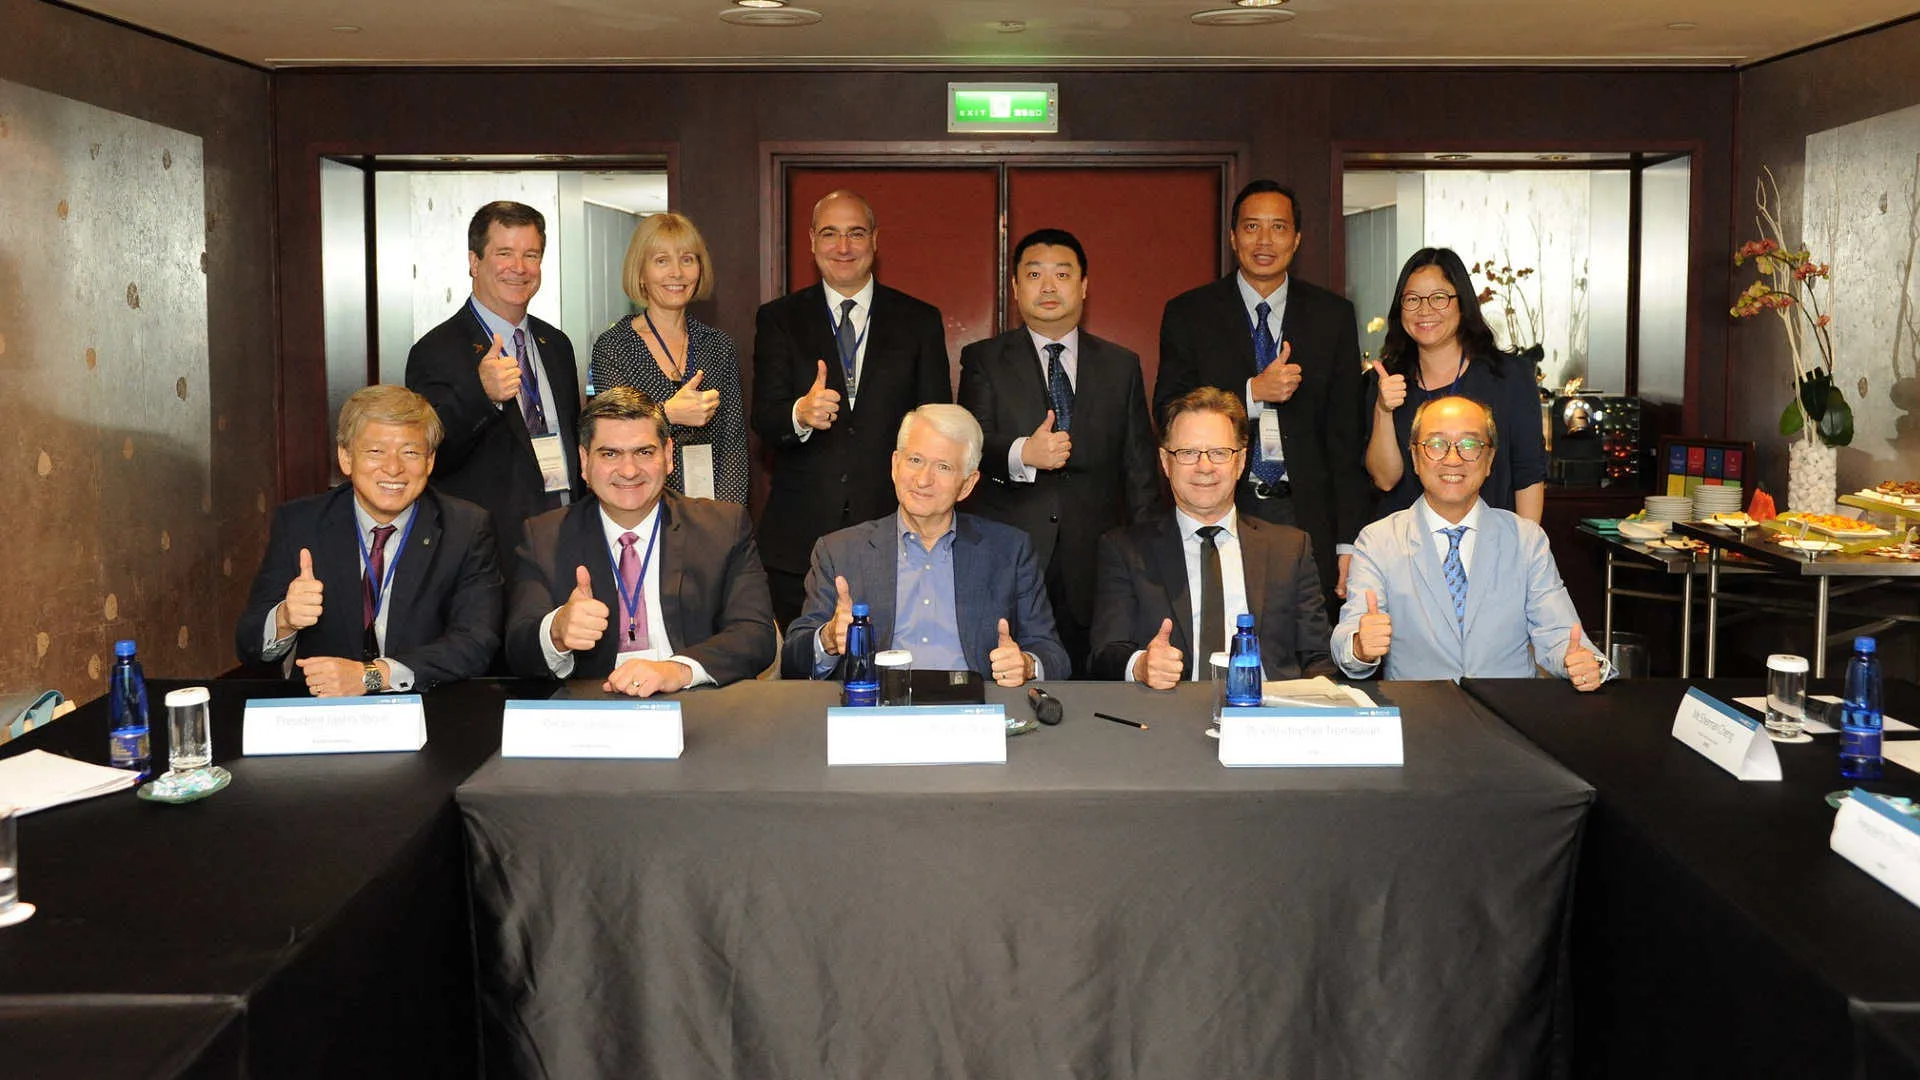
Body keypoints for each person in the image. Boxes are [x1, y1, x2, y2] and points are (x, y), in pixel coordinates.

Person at [1155, 179, 1369, 612]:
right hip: (1222, 505)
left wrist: (1349, 540)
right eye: (1252, 227)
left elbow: (1347, 437)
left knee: (1303, 645)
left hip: (1305, 512)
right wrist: (1252, 392)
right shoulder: (1190, 313)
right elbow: (1168, 408)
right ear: (1234, 237)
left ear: (1297, 238)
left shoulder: (1333, 316)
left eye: (1278, 227)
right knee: (1222, 629)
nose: (1265, 240)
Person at [957, 228, 1160, 671]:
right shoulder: (984, 359)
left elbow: (1139, 469)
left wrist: (1149, 558)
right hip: (1011, 554)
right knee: (1010, 678)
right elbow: (970, 446)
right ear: (1015, 288)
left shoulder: (1120, 365)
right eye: (1034, 274)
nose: (1048, 287)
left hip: (1098, 561)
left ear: (1084, 285)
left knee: (1096, 687)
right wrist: (1022, 453)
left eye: (1062, 274)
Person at [751, 189, 952, 628]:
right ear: (811, 242)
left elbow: (939, 423)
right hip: (800, 534)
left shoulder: (918, 320)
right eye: (830, 234)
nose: (843, 247)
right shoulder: (779, 319)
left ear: (875, 241)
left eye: (856, 233)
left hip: (896, 525)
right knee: (805, 669)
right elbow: (764, 417)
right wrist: (798, 415)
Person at [504, 388, 776, 696]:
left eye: (644, 452)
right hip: (593, 712)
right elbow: (517, 649)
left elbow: (755, 635)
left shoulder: (723, 527)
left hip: (694, 705)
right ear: (584, 461)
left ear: (668, 455)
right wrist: (557, 632)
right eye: (610, 454)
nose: (629, 470)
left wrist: (678, 670)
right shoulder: (544, 536)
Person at [236, 385, 502, 696]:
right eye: (376, 451)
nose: (393, 468)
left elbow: (476, 643)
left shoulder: (466, 528)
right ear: (345, 458)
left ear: (430, 462)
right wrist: (285, 619)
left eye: (410, 452)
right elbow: (248, 644)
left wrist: (372, 677)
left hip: (427, 712)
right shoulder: (300, 524)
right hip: (322, 717)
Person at [781, 404, 1069, 687]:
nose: (922, 480)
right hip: (876, 716)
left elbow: (1053, 655)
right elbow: (794, 659)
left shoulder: (1010, 550)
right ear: (895, 466)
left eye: (943, 467)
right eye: (915, 460)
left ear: (967, 485)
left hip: (974, 717)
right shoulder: (840, 551)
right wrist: (828, 639)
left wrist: (1026, 664)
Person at [1332, 395, 1607, 688]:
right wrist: (1360, 646)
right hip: (1418, 719)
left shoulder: (1526, 539)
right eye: (1436, 444)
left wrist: (1583, 662)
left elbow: (1562, 634)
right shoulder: (1378, 541)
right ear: (1414, 457)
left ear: (1489, 460)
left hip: (1510, 718)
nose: (1453, 458)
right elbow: (1349, 632)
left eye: (1470, 445)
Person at [1088, 388, 1335, 686]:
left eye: (1219, 453)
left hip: (1270, 718)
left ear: (1241, 462)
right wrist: (1141, 666)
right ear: (1165, 463)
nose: (1204, 467)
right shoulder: (1125, 550)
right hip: (1168, 718)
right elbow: (1104, 654)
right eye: (1188, 453)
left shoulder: (1290, 549)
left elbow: (1318, 659)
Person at [406, 201, 584, 581]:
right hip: (490, 555)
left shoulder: (556, 344)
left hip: (566, 535)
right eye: (504, 253)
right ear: (474, 262)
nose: (518, 268)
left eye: (530, 255)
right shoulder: (436, 350)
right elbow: (429, 452)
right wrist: (481, 393)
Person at [1363, 247, 1547, 522]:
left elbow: (1528, 475)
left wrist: (1526, 553)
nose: (1425, 310)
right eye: (1412, 299)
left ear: (1462, 303)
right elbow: (1385, 480)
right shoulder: (1386, 381)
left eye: (1439, 298)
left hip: (1491, 546)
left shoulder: (1509, 376)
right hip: (1406, 552)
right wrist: (1383, 410)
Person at [589, 212, 749, 505]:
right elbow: (613, 435)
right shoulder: (614, 347)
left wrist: (726, 518)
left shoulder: (718, 345)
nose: (677, 272)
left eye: (687, 259)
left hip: (709, 510)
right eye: (662, 260)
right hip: (638, 503)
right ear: (641, 272)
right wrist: (666, 414)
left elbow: (733, 444)